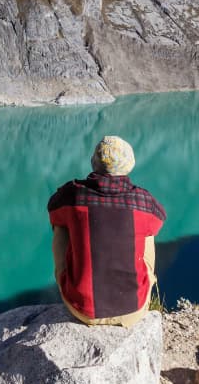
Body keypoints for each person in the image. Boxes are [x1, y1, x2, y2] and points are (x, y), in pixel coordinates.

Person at [47, 136, 167, 327]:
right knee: (148, 229)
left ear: (94, 162)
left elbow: (52, 209)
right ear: (130, 165)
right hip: (133, 309)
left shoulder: (73, 194)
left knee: (61, 224)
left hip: (82, 308)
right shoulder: (142, 201)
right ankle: (148, 279)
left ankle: (71, 278)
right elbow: (161, 218)